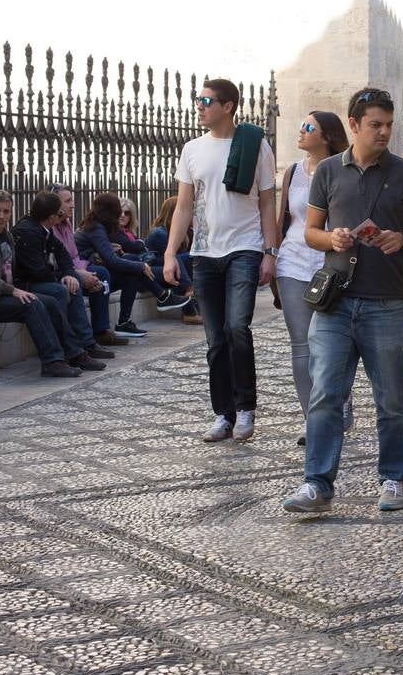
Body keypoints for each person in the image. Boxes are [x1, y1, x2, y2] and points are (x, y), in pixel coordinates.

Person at [282, 87, 403, 514]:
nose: (384, 132)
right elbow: (310, 231)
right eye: (375, 125)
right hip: (335, 299)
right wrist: (330, 237)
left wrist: (402, 238)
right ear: (353, 125)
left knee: (390, 397)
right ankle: (317, 484)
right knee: (325, 394)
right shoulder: (328, 171)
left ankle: (394, 478)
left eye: (388, 124)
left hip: (387, 301)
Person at [163, 78, 278, 443]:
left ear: (227, 106)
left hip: (244, 248)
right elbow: (183, 206)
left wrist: (269, 252)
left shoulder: (255, 144)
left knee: (236, 328)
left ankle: (246, 407)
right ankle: (223, 414)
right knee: (215, 339)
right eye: (198, 100)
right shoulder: (192, 149)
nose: (199, 106)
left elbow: (266, 202)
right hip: (204, 253)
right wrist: (170, 252)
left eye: (206, 101)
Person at [276, 110, 354, 445]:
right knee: (302, 345)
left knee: (334, 343)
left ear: (326, 136)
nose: (301, 130)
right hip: (292, 261)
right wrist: (271, 256)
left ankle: (341, 402)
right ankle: (314, 420)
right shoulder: (292, 171)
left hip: (330, 263)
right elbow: (283, 218)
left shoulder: (343, 170)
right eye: (302, 124)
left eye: (309, 127)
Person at [0, 191, 81, 378]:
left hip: (2, 293)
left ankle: (73, 353)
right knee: (32, 305)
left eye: (6, 211)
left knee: (50, 301)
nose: (1, 216)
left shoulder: (6, 236)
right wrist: (12, 290)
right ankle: (52, 361)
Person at [12, 191, 109, 371]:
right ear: (51, 217)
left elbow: (62, 253)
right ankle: (72, 351)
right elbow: (37, 271)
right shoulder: (28, 232)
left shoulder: (44, 229)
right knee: (60, 290)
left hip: (39, 279)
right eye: (59, 212)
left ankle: (84, 343)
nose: (63, 214)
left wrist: (69, 274)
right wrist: (63, 277)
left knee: (71, 284)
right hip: (25, 283)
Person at [78, 193, 190, 337]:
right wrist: (141, 266)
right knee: (136, 267)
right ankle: (163, 297)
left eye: (127, 212)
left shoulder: (99, 226)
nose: (121, 214)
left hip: (96, 269)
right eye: (119, 209)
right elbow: (113, 259)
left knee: (134, 270)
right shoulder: (96, 228)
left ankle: (125, 322)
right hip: (88, 275)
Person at [49, 184, 124, 348]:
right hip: (60, 274)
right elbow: (54, 263)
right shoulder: (49, 227)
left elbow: (74, 255)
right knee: (98, 274)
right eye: (68, 201)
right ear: (55, 204)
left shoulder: (66, 223)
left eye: (72, 200)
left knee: (99, 274)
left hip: (73, 268)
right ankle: (90, 338)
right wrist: (80, 273)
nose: (73, 205)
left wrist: (84, 269)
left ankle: (101, 330)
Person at [147, 196, 202, 326]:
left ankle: (193, 311)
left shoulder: (183, 233)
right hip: (152, 273)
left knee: (186, 261)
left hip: (170, 275)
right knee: (177, 260)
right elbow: (170, 259)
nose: (191, 215)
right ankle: (190, 301)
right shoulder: (158, 233)